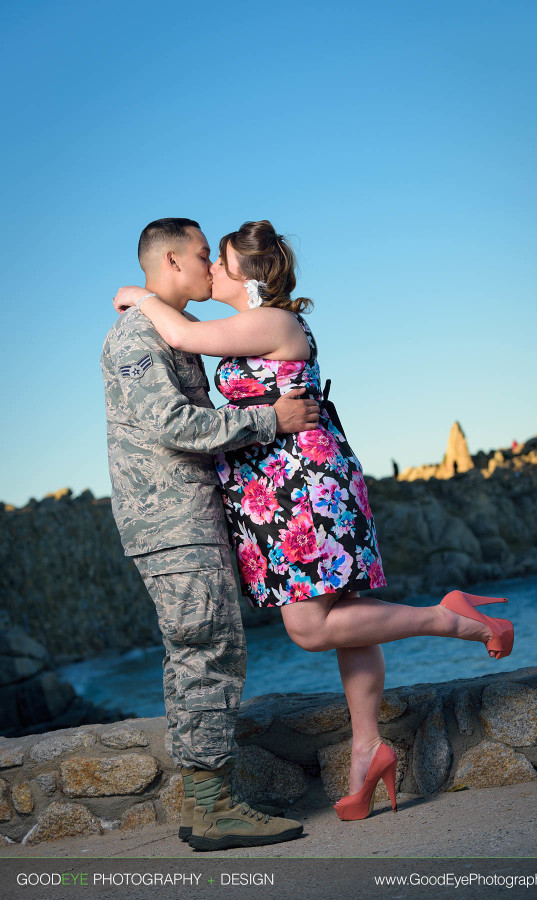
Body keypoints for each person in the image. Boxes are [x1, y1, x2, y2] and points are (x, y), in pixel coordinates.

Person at [114, 219, 514, 823]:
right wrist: (149, 300)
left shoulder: (272, 321)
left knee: (307, 628)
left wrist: (141, 297)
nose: (210, 270)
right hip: (282, 485)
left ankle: (447, 617)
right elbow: (189, 336)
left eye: (216, 261)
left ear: (244, 273)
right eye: (202, 258)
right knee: (347, 620)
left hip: (300, 486)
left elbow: (179, 332)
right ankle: (365, 749)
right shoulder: (241, 325)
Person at [102, 218, 321, 851]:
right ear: (170, 260)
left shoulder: (172, 332)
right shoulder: (135, 335)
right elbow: (173, 424)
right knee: (206, 652)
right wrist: (269, 420)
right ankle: (214, 807)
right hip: (171, 522)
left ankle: (208, 804)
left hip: (188, 518)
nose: (209, 267)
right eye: (202, 256)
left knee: (205, 650)